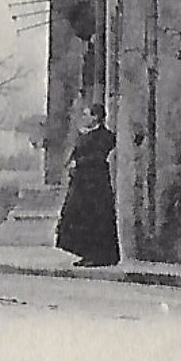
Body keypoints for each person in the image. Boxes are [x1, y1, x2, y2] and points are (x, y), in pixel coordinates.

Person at [56, 103, 121, 267]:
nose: (83, 118)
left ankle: (100, 256)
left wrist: (78, 162)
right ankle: (86, 253)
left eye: (86, 115)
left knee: (96, 217)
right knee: (79, 216)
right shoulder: (85, 134)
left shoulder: (105, 136)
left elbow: (98, 157)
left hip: (96, 183)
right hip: (82, 182)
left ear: (96, 117)